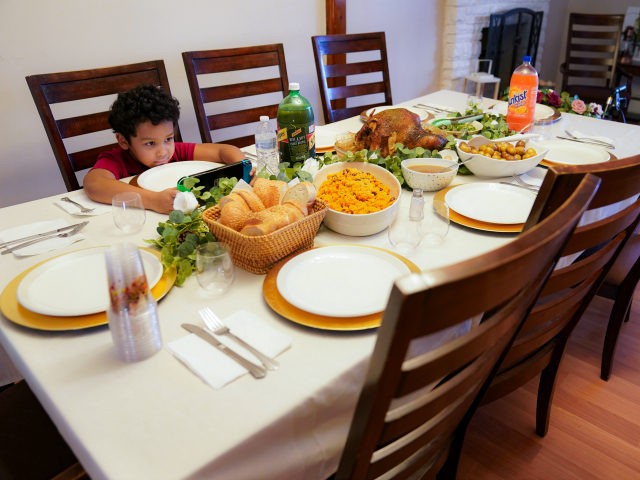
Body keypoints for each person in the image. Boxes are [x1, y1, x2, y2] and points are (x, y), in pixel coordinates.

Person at [83, 85, 246, 213]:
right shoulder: (116, 160)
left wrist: (243, 167)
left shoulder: (178, 152)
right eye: (150, 143)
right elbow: (94, 185)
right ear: (123, 140)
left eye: (168, 139)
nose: (163, 152)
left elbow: (224, 150)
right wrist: (153, 200)